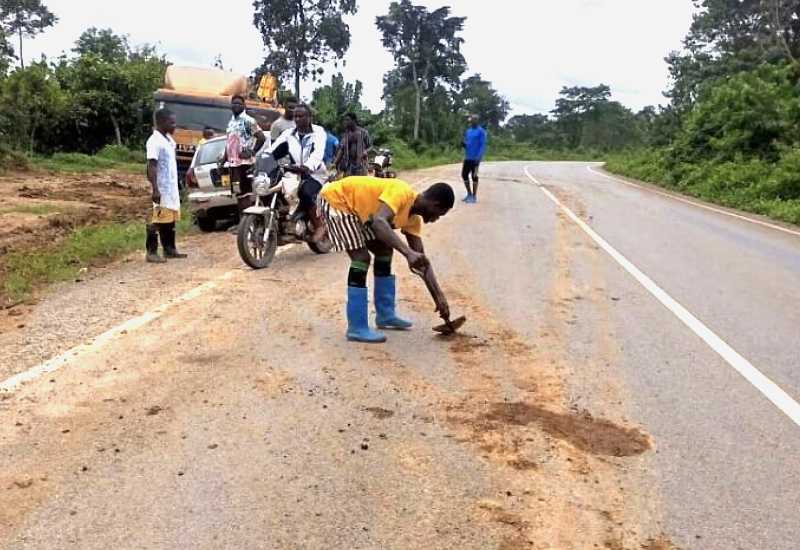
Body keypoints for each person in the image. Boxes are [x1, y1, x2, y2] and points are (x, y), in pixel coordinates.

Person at [318, 176, 455, 343]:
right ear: (435, 204)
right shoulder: (402, 192)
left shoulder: (413, 220)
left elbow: (422, 262)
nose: (435, 219)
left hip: (361, 212)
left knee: (384, 251)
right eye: (438, 215)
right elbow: (379, 222)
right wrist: (407, 253)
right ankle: (356, 327)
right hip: (337, 200)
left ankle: (385, 315)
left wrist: (439, 297)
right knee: (361, 258)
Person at [269, 103, 328, 241]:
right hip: (294, 173)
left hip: (315, 173)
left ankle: (319, 225)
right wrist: (261, 160)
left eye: (301, 116)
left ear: (309, 117)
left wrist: (307, 166)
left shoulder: (318, 132)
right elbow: (272, 149)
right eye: (295, 116)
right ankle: (283, 223)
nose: (297, 119)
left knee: (305, 192)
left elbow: (318, 153)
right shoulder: (288, 133)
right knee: (273, 188)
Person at [145, 108, 187, 263]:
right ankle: (151, 251)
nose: (175, 125)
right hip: (161, 187)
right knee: (158, 219)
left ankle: (169, 249)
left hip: (171, 188)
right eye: (172, 122)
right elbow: (151, 165)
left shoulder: (168, 140)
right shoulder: (154, 141)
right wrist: (155, 189)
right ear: (162, 122)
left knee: (170, 220)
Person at [220, 95, 266, 200]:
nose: (236, 105)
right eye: (234, 103)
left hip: (245, 164)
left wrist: (251, 152)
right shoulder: (231, 122)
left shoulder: (248, 121)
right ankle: (242, 216)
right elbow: (230, 144)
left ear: (244, 106)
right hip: (233, 164)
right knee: (237, 193)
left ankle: (248, 216)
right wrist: (223, 161)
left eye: (239, 103)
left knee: (246, 194)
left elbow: (261, 138)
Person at [334, 112, 372, 177]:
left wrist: (365, 152)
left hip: (361, 166)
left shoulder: (364, 132)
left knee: (360, 185)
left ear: (353, 121)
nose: (345, 122)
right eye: (345, 120)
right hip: (348, 166)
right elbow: (342, 150)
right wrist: (335, 163)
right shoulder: (346, 134)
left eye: (347, 120)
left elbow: (370, 147)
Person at [462, 114, 488, 203]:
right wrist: (464, 145)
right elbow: (468, 143)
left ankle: (474, 196)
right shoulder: (468, 131)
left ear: (477, 121)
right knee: (464, 174)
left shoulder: (481, 132)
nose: (472, 122)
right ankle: (469, 193)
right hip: (468, 157)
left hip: (476, 158)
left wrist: (479, 157)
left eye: (473, 120)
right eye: (471, 120)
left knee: (474, 176)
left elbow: (482, 145)